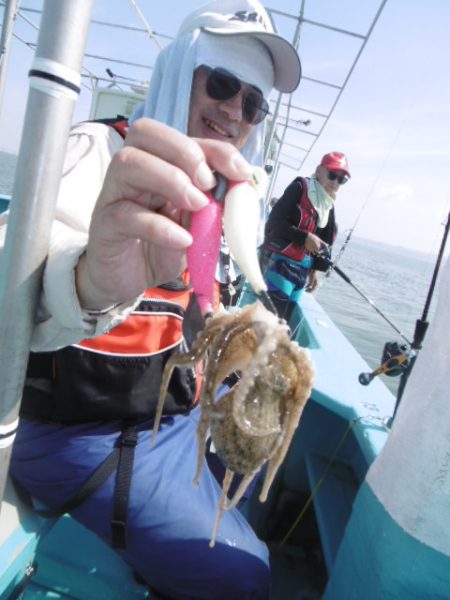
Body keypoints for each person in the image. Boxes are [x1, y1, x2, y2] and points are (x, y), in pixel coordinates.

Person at [3, 1, 301, 598]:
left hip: (168, 409)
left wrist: (241, 334)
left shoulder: (214, 204)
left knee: (269, 434)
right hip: (82, 432)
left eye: (252, 102)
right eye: (220, 83)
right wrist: (89, 279)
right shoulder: (96, 153)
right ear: (179, 70)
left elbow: (193, 310)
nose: (234, 112)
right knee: (248, 574)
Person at [262, 151, 351, 321]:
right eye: (332, 175)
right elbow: (275, 222)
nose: (335, 183)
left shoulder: (329, 206)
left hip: (302, 273)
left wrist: (315, 271)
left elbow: (324, 241)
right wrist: (303, 237)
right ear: (318, 171)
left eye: (341, 180)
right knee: (270, 321)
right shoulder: (300, 187)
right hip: (281, 265)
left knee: (284, 320)